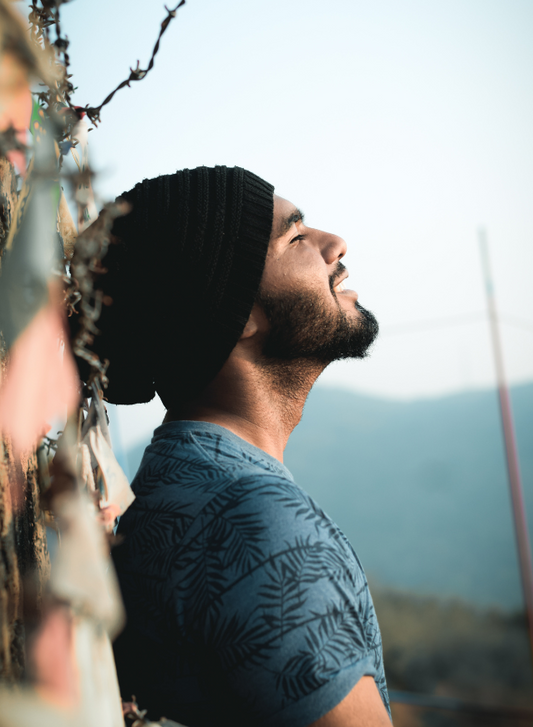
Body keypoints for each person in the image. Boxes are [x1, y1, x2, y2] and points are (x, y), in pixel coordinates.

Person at [87, 166, 390, 726]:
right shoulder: (262, 531)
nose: (334, 245)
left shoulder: (177, 488)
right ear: (239, 316)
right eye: (296, 238)